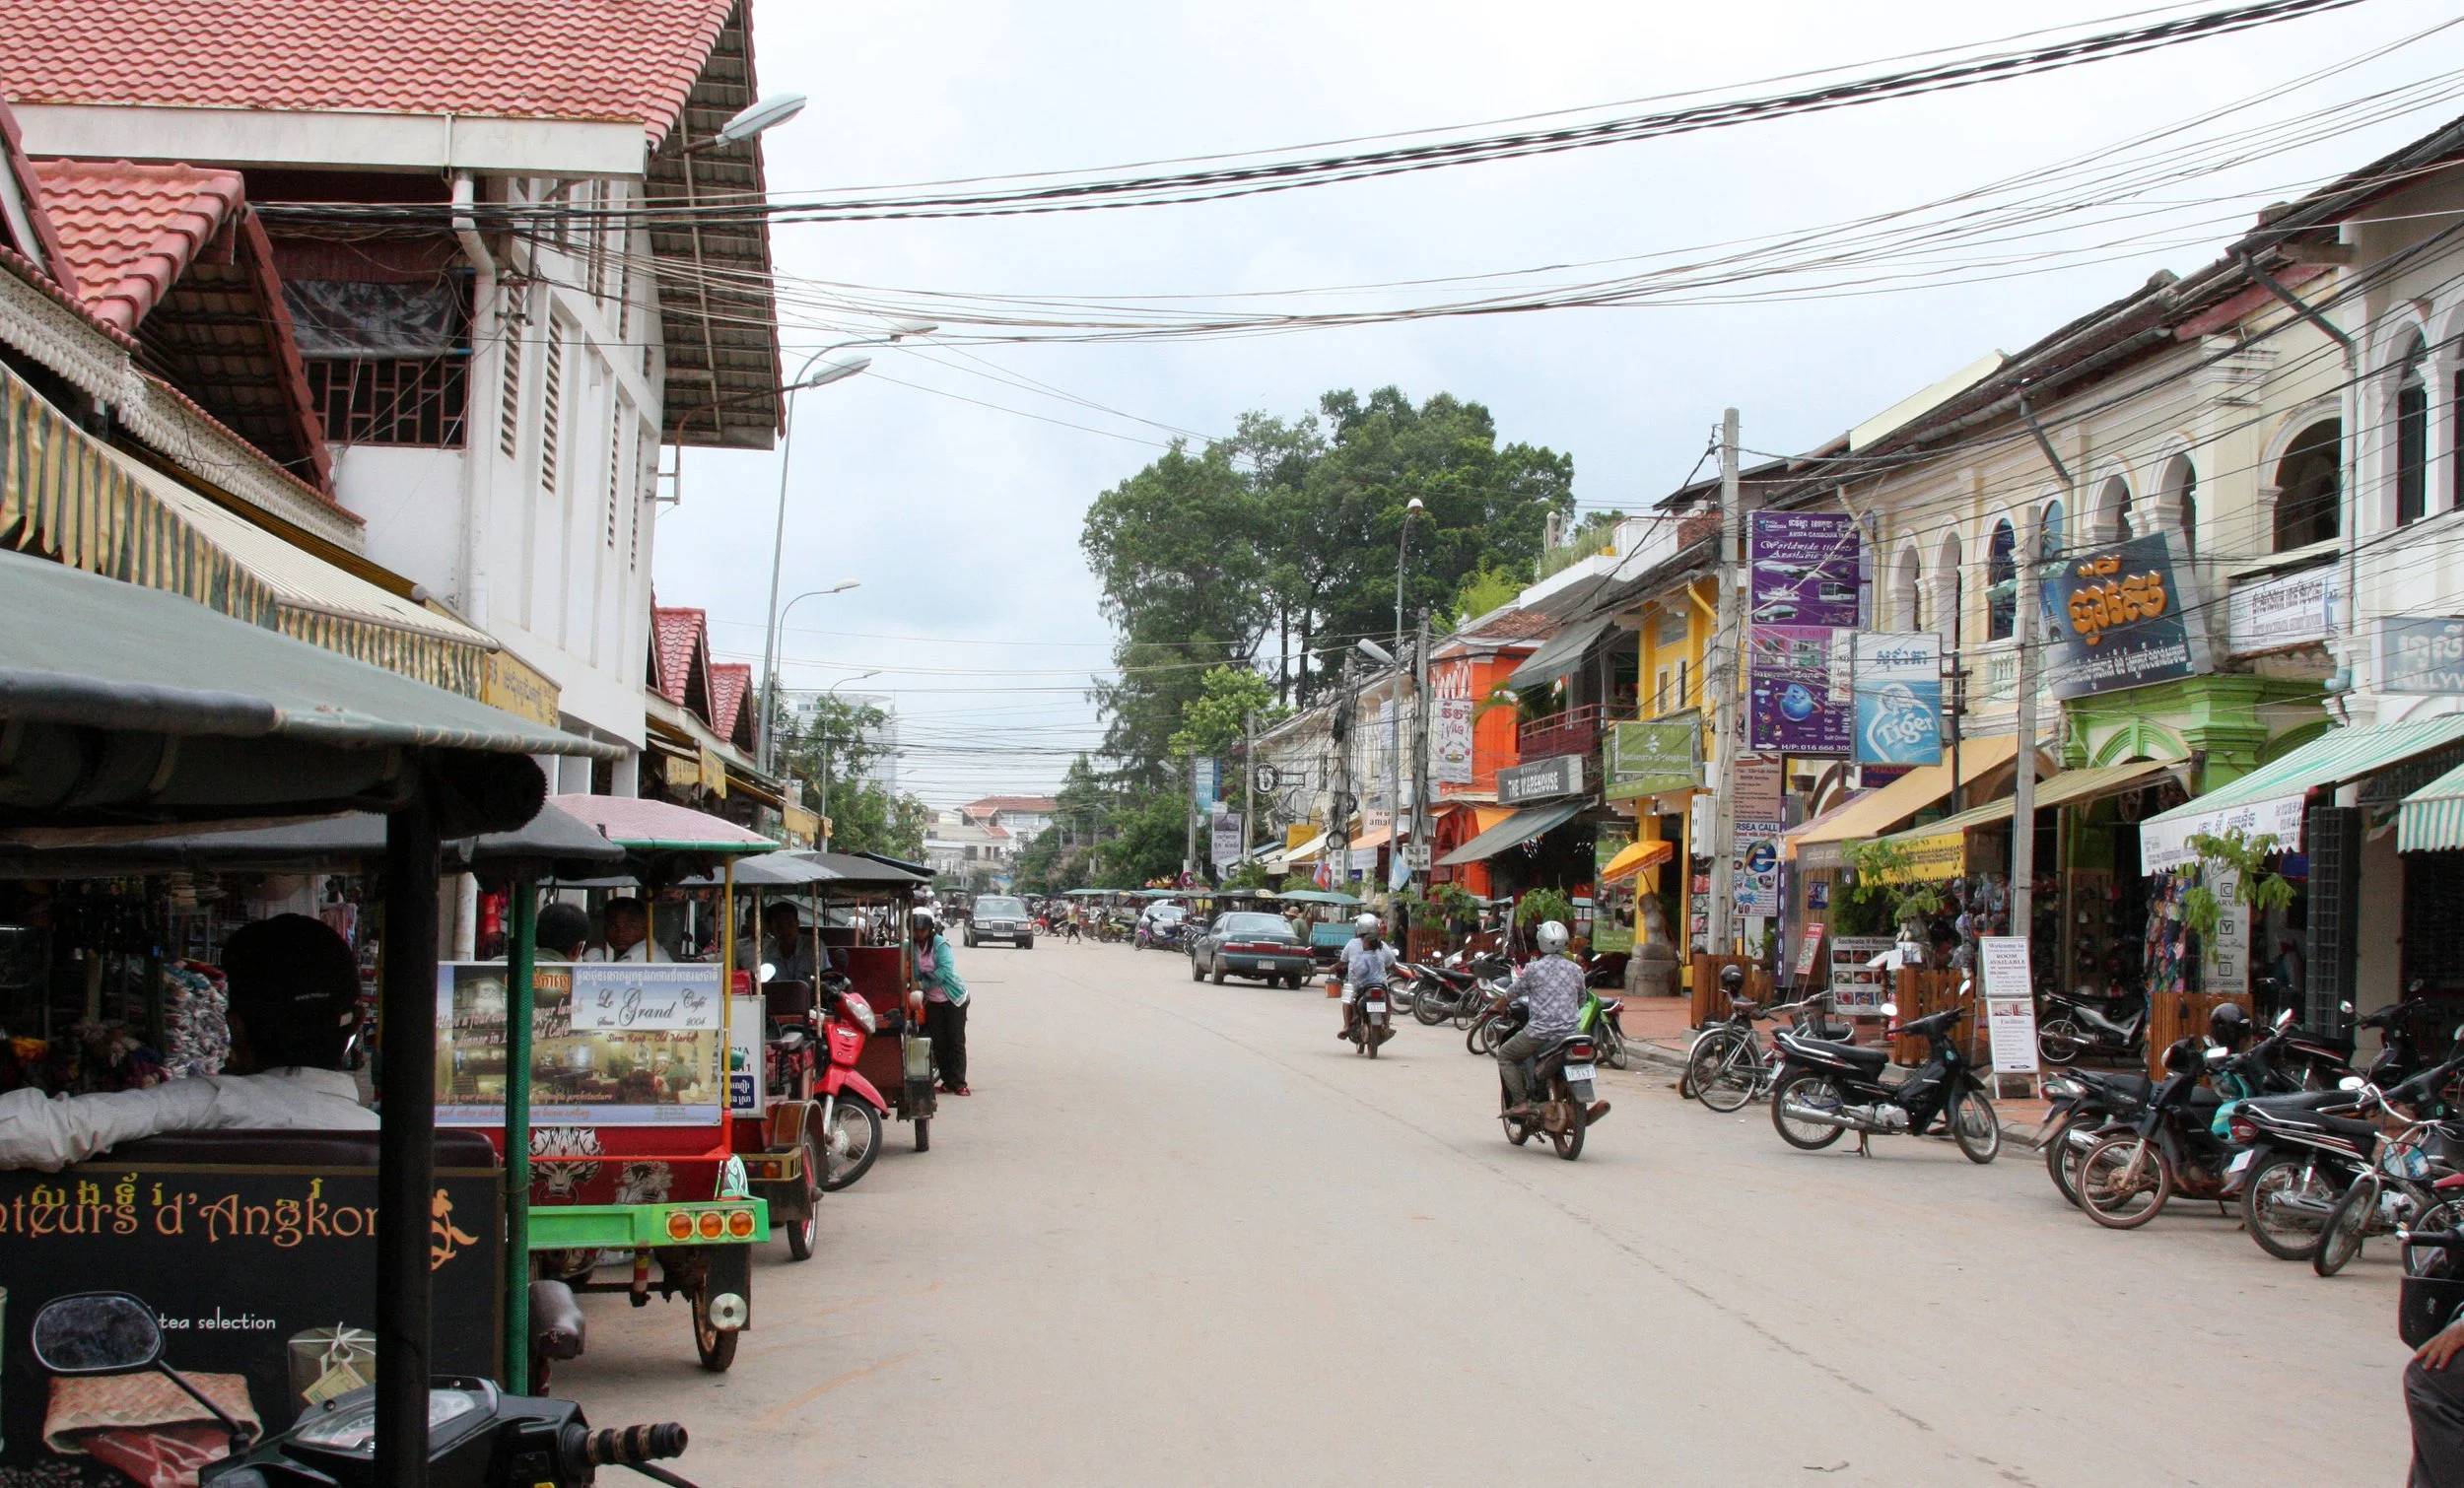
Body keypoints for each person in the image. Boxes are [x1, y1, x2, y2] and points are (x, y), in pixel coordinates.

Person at [0, 914, 375, 1172]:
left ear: (236, 1029)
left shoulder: (212, 1102)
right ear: (357, 1020)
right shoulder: (394, 1152)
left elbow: (44, 1131)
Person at [1494, 919, 1607, 1121]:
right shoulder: (1575, 970)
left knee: (1505, 1055)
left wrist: (1498, 1005)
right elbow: (1581, 999)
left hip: (1540, 1033)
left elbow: (1512, 992)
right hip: (1572, 1034)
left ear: (1541, 942)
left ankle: (1520, 1103)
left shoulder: (1533, 969)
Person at [914, 912, 971, 1096]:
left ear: (929, 930)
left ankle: (960, 1083)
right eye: (915, 930)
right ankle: (947, 1082)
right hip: (933, 1001)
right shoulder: (911, 946)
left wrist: (922, 984)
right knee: (939, 1042)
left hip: (954, 999)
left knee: (956, 1041)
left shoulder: (940, 945)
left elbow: (945, 972)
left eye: (922, 930)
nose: (919, 934)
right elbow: (895, 952)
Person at [1336, 913, 1397, 1042]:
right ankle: (1386, 1024)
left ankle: (1347, 1026)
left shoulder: (1352, 944)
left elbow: (1344, 961)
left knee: (1347, 998)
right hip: (1380, 984)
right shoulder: (1382, 945)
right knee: (1387, 1002)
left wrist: (1334, 967)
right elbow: (1392, 963)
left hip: (1358, 985)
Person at [583, 897, 669, 962]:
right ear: (605, 929)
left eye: (629, 926)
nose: (620, 933)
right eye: (613, 925)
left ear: (646, 928)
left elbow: (602, 982)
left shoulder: (643, 956)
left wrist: (593, 953)